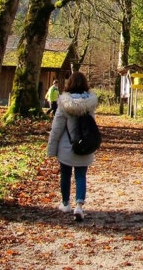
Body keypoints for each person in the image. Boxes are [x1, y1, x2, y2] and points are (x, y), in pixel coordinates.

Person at [46, 72, 98, 222]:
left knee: (65, 175)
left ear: (69, 84)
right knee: (81, 176)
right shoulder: (90, 104)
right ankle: (79, 206)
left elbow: (57, 129)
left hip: (66, 147)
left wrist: (51, 149)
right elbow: (91, 126)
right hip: (84, 147)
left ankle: (65, 203)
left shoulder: (63, 104)